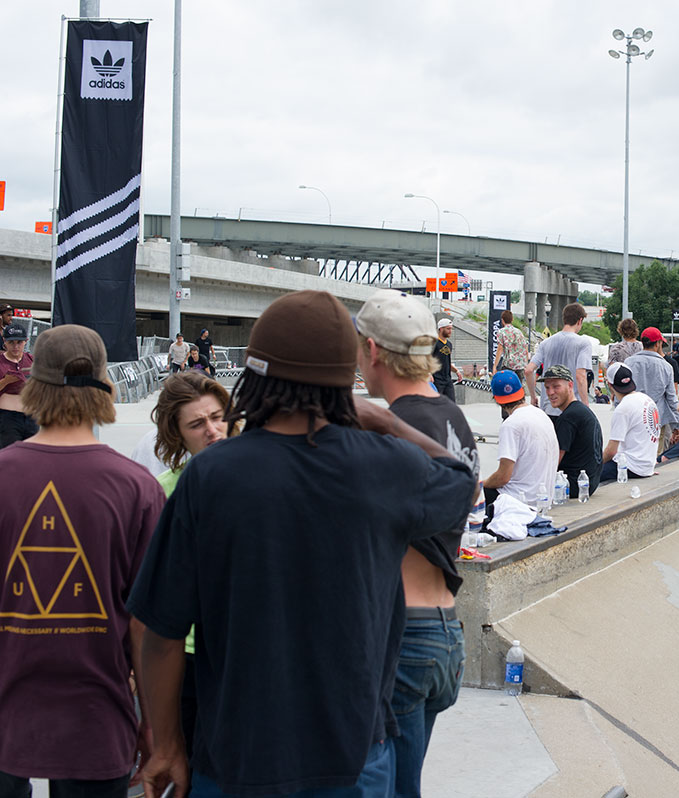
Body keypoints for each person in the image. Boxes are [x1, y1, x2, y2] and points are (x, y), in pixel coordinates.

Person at [129, 290, 477, 798]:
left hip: (235, 759)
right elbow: (462, 483)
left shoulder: (211, 474)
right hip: (353, 759)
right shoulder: (385, 466)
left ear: (253, 374)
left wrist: (166, 745)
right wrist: (383, 420)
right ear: (346, 376)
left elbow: (158, 631)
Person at [0, 324, 165, 798]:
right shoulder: (136, 487)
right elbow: (146, 626)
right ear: (107, 385)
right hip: (97, 712)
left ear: (34, 385)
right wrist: (153, 723)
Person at [353, 289, 480, 795]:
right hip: (445, 630)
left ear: (374, 351)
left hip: (404, 635)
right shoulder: (453, 416)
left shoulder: (395, 427)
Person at [149, 371, 235, 758]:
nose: (213, 430)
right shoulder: (165, 491)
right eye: (197, 424)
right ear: (176, 434)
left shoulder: (259, 479)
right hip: (185, 656)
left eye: (218, 417)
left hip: (241, 651)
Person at [483, 370, 558, 508]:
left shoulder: (510, 425)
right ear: (521, 390)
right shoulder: (541, 415)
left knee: (471, 493)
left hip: (519, 500)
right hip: (544, 499)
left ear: (496, 399)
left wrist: (482, 484)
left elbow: (503, 477)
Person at [541, 364, 602, 498]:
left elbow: (553, 461)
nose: (550, 392)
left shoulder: (568, 417)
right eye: (547, 388)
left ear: (570, 385)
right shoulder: (581, 410)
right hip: (590, 482)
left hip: (573, 485)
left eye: (556, 386)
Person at [525, 302, 591, 416]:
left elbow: (528, 370)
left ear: (564, 319)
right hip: (572, 409)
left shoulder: (545, 343)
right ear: (580, 321)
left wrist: (533, 396)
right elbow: (580, 376)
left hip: (548, 408)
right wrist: (585, 405)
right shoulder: (583, 343)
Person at [624, 327, 679, 455]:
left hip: (634, 417)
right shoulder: (666, 366)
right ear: (657, 344)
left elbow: (622, 393)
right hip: (656, 418)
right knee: (654, 455)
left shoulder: (629, 362)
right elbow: (672, 399)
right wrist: (677, 425)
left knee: (634, 453)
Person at [598, 363, 658, 483]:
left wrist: (595, 465)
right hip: (647, 465)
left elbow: (611, 451)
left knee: (585, 475)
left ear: (609, 385)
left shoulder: (623, 408)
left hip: (631, 467)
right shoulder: (647, 399)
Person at [0, 324, 37, 449]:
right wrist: (6, 381)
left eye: (19, 342)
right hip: (7, 417)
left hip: (31, 416)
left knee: (32, 455)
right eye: (11, 342)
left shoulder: (32, 360)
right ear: (4, 341)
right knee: (9, 456)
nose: (15, 346)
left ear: (25, 342)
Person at [433, 318, 463, 401]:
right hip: (436, 380)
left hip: (447, 380)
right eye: (448, 329)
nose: (450, 331)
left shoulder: (449, 344)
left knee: (451, 404)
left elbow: (446, 361)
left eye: (451, 329)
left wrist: (456, 371)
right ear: (441, 329)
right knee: (437, 405)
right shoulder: (433, 343)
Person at [493, 309, 530, 375]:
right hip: (520, 366)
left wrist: (495, 366)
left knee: (507, 384)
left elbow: (500, 349)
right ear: (512, 319)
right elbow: (526, 349)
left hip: (508, 365)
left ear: (502, 320)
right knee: (518, 384)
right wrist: (526, 364)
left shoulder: (501, 332)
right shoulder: (519, 332)